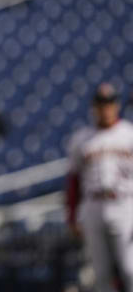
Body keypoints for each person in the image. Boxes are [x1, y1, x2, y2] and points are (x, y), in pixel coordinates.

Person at [66, 83, 133, 292]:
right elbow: (73, 181)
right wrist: (72, 215)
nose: (105, 108)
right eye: (101, 104)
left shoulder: (129, 134)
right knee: (100, 273)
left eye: (109, 103)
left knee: (130, 267)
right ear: (94, 107)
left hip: (124, 204)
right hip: (92, 205)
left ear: (117, 105)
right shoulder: (81, 139)